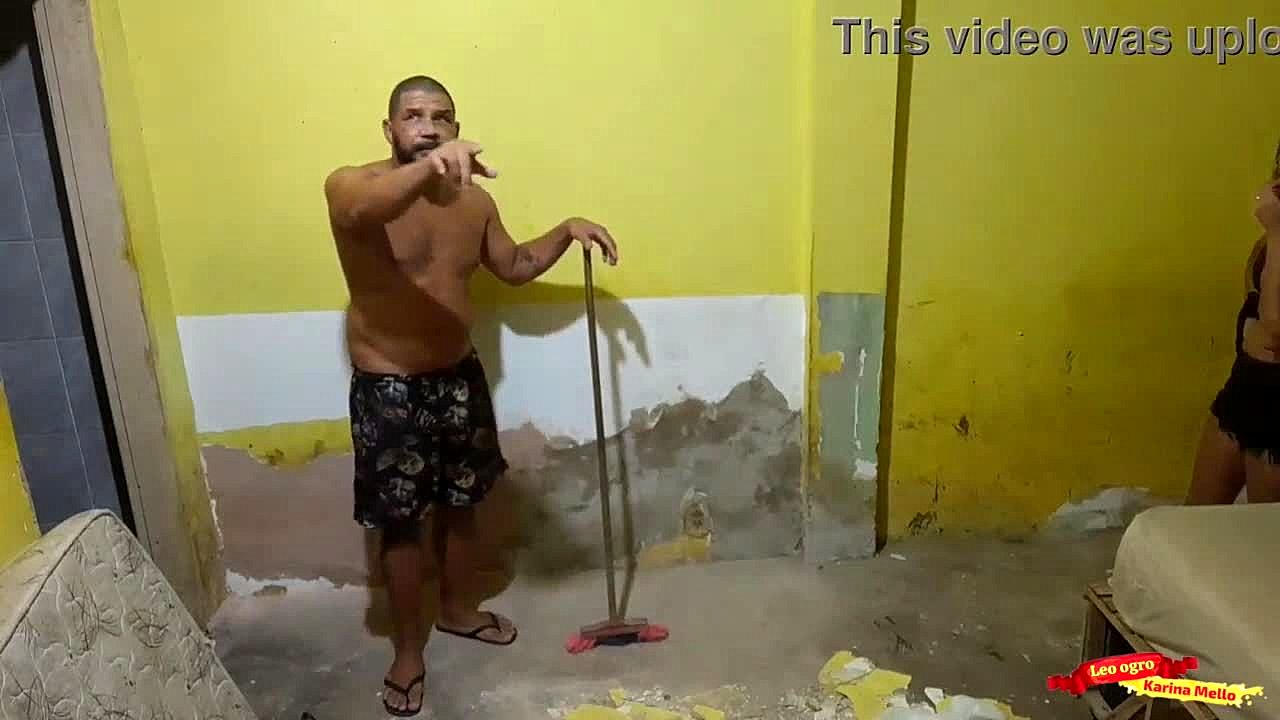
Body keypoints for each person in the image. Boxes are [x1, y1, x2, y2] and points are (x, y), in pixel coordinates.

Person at [323, 75, 619, 717]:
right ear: (389, 128)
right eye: (413, 115)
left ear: (457, 129)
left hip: (458, 375)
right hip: (388, 386)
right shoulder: (352, 185)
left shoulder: (474, 203)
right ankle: (407, 653)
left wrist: (566, 230)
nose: (428, 127)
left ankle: (457, 610)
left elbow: (513, 267)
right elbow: (358, 212)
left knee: (463, 506)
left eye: (442, 118)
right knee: (403, 527)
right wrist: (430, 170)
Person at [1188, 146, 1280, 506]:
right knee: (1194, 518)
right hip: (1245, 385)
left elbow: (1276, 324)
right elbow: (1256, 301)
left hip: (1276, 409)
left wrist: (1277, 230)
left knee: (1261, 531)